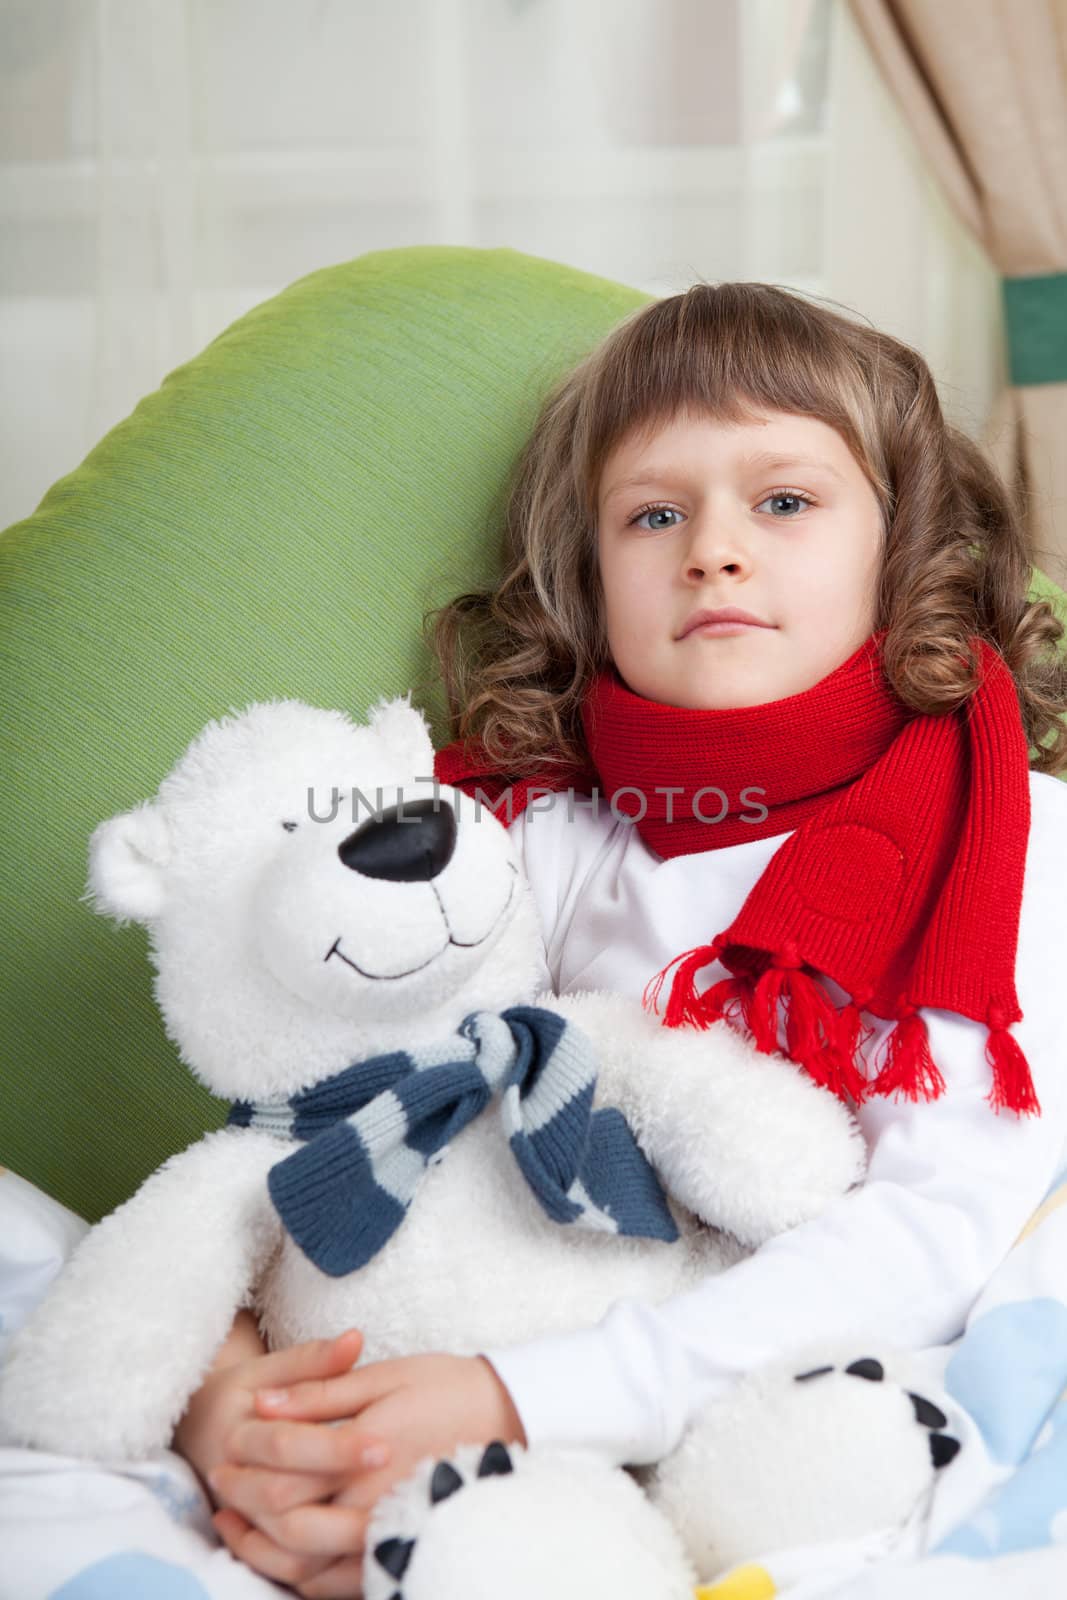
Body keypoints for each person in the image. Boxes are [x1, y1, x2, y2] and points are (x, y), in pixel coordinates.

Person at [171, 281, 1067, 1598]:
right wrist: (237, 1397)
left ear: (904, 548)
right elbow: (324, 1122)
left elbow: (934, 1235)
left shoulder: (1016, 837)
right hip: (543, 1367)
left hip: (801, 1390)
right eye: (655, 513)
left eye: (784, 501)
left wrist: (518, 1400)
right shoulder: (532, 839)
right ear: (588, 584)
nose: (712, 549)